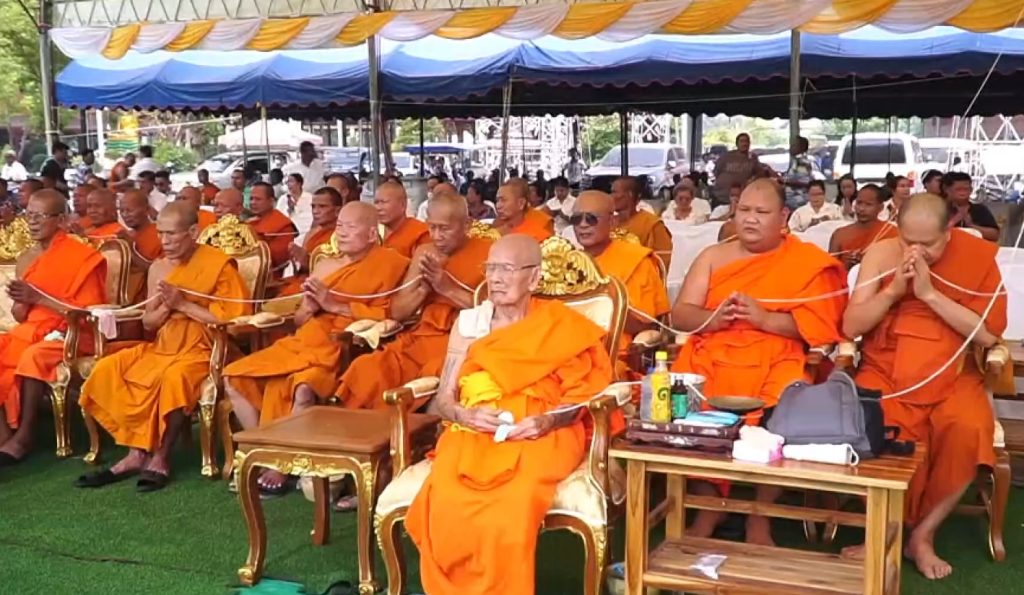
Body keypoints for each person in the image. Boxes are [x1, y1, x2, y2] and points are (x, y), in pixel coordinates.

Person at [405, 234, 613, 595]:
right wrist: (465, 415)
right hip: (474, 431)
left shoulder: (561, 325)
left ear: (533, 278)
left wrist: (547, 421)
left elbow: (585, 396)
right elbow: (444, 398)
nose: (495, 278)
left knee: (514, 502)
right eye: (490, 268)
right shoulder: (470, 324)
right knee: (446, 500)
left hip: (542, 431)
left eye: (506, 269)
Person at [670, 179, 847, 545]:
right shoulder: (713, 256)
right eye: (744, 211)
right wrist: (714, 318)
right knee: (684, 401)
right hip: (713, 350)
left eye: (762, 212)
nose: (750, 219)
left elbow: (819, 328)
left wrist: (764, 318)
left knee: (783, 411)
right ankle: (710, 505)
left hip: (776, 353)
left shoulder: (805, 262)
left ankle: (760, 514)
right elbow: (681, 314)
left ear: (783, 217)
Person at [841, 193, 1006, 579]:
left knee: (968, 427)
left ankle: (923, 535)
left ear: (949, 230)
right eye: (908, 241)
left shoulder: (977, 257)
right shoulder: (881, 254)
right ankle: (886, 530)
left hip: (952, 372)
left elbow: (986, 335)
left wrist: (929, 294)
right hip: (886, 369)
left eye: (927, 244)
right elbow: (851, 326)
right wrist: (893, 292)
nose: (916, 252)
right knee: (872, 423)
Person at [223, 202, 409, 493]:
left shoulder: (392, 265)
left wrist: (333, 305)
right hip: (305, 341)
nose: (341, 232)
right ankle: (267, 449)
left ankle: (282, 465)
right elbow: (299, 320)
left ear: (372, 234)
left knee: (303, 387)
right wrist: (308, 308)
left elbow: (390, 314)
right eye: (340, 226)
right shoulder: (325, 266)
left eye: (351, 227)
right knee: (233, 376)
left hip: (339, 348)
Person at [76, 202, 249, 490]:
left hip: (205, 347)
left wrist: (183, 304)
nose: (164, 241)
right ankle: (135, 453)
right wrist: (168, 307)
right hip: (164, 344)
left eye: (172, 234)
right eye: (160, 233)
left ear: (192, 232)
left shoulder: (218, 265)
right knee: (109, 368)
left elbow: (233, 324)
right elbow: (149, 322)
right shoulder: (158, 268)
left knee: (174, 378)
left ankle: (161, 456)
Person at [334, 193, 490, 412]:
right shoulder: (425, 252)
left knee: (431, 373)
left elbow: (494, 312)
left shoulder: (489, 253)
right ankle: (356, 429)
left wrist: (446, 288)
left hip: (458, 341)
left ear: (467, 225)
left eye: (444, 229)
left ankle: (404, 427)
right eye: (432, 227)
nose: (436, 236)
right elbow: (399, 312)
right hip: (420, 336)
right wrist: (423, 289)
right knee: (367, 368)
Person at [0, 190, 108, 464]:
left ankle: (25, 436)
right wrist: (23, 301)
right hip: (32, 330)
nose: (32, 222)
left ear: (60, 220)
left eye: (40, 216)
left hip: (74, 333)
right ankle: (3, 434)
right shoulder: (27, 258)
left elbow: (88, 312)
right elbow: (21, 315)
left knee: (33, 355)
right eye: (29, 215)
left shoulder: (83, 257)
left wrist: (38, 297)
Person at [572, 191, 668, 368]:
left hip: (611, 352)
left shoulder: (634, 260)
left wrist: (599, 305)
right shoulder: (568, 262)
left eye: (591, 219)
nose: (583, 225)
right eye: (576, 219)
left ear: (612, 222)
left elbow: (643, 324)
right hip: (566, 347)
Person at [278, 187, 344, 296]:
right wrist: (297, 258)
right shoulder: (312, 233)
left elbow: (334, 273)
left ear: (337, 211)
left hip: (321, 288)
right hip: (302, 281)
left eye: (322, 206)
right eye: (313, 206)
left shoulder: (342, 236)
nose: (315, 211)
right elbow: (302, 268)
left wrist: (306, 260)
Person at [827, 184, 897, 270]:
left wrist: (868, 262)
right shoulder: (839, 235)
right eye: (859, 203)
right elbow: (829, 271)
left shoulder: (892, 232)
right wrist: (847, 266)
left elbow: (897, 266)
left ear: (881, 207)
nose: (861, 209)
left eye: (868, 204)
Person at [611, 176, 673, 268]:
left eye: (614, 192)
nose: (611, 196)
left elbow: (662, 259)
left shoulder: (652, 224)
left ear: (630, 194)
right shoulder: (608, 222)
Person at [119, 190, 163, 303]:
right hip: (124, 300)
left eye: (129, 210)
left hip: (149, 300)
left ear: (147, 209)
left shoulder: (160, 235)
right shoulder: (126, 235)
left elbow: (159, 273)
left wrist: (130, 249)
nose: (125, 215)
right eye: (122, 210)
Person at [247, 182, 298, 275]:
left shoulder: (282, 225)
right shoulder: (248, 223)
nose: (253, 202)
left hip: (269, 275)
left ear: (271, 201)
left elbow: (280, 260)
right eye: (251, 199)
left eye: (258, 199)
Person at [376, 181, 430, 258]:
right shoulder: (372, 233)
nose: (378, 208)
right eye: (376, 202)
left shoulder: (420, 233)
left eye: (384, 202)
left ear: (403, 205)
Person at [494, 178, 553, 242]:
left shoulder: (541, 227)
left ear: (521, 203)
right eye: (497, 200)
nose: (498, 206)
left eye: (503, 200)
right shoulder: (496, 230)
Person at [945, 172, 999, 241]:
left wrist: (971, 225)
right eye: (958, 189)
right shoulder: (941, 209)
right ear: (948, 190)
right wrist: (954, 221)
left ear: (971, 190)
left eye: (966, 189)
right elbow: (935, 233)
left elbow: (995, 235)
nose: (962, 193)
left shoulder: (980, 209)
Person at [712, 133, 761, 205]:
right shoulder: (727, 156)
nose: (744, 144)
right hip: (721, 195)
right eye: (742, 141)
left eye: (746, 141)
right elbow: (716, 172)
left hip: (740, 197)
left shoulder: (752, 158)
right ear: (737, 144)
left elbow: (759, 174)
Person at [276, 173, 313, 240]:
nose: (288, 184)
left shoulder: (310, 197)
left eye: (291, 181)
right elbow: (278, 216)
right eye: (287, 182)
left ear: (299, 183)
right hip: (290, 232)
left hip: (307, 231)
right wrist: (290, 210)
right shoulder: (283, 199)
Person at [782, 136, 813, 210]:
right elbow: (794, 176)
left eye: (794, 145)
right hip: (791, 198)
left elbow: (804, 182)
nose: (791, 147)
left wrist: (784, 181)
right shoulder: (796, 161)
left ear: (801, 148)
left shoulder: (803, 162)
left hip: (798, 199)